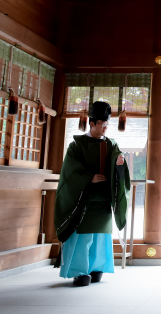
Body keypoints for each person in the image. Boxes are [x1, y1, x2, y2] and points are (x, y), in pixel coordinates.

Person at [54, 101, 131, 286]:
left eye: (107, 124)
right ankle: (79, 271)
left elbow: (116, 157)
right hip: (84, 199)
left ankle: (97, 267)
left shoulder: (111, 144)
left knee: (100, 236)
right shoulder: (77, 145)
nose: (105, 128)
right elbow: (70, 171)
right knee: (83, 237)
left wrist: (119, 162)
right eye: (102, 124)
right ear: (92, 123)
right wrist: (89, 178)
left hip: (103, 199)